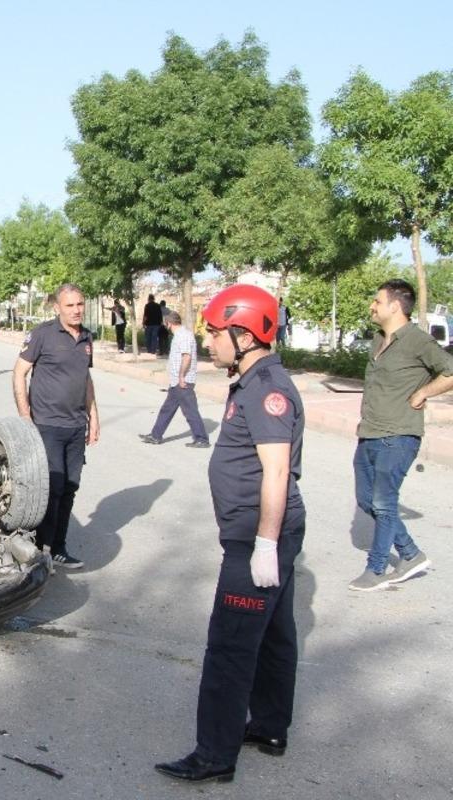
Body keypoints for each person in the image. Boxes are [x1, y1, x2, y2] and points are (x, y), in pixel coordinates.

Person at [155, 283, 305, 785]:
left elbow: (277, 471)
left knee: (230, 646)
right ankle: (268, 726)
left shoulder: (267, 391)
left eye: (216, 333)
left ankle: (214, 754)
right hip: (260, 531)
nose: (209, 343)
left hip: (256, 535)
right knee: (276, 633)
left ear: (244, 333)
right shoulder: (252, 381)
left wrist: (264, 543)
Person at [347, 279, 453, 592]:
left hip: (399, 434)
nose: (372, 306)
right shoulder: (378, 339)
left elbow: (449, 371)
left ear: (395, 306)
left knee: (383, 501)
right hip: (369, 432)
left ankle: (377, 569)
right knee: (368, 500)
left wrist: (424, 392)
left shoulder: (417, 340)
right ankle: (410, 554)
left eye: (377, 301)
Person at [12, 283, 99, 569]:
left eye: (79, 304)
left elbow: (85, 379)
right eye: (70, 305)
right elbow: (19, 373)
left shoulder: (87, 337)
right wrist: (26, 417)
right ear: (57, 307)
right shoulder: (42, 335)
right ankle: (37, 551)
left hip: (75, 426)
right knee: (52, 488)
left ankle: (58, 548)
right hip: (47, 425)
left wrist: (93, 416)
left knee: (70, 487)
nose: (76, 310)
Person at [140, 310, 209, 448]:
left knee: (190, 411)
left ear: (169, 323)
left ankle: (201, 439)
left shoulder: (182, 336)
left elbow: (187, 357)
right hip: (177, 382)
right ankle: (155, 435)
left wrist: (182, 376)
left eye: (166, 324)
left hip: (183, 381)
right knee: (167, 409)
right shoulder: (181, 335)